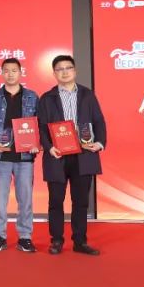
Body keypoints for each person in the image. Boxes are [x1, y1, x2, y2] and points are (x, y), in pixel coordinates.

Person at [36, 54, 107, 256]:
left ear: (75, 71)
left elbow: (99, 121)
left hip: (83, 155)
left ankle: (80, 241)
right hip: (57, 155)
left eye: (68, 68)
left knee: (81, 202)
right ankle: (56, 240)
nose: (64, 72)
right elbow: (41, 126)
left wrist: (99, 143)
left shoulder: (87, 95)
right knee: (55, 201)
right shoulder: (47, 98)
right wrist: (49, 147)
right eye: (60, 69)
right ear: (54, 73)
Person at [0, 57, 40, 253]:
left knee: (26, 199)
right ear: (1, 73)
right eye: (6, 70)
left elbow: (39, 123)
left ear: (20, 73)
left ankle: (25, 237)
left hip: (25, 157)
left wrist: (37, 143)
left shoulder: (32, 97)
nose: (10, 74)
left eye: (14, 70)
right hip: (0, 156)